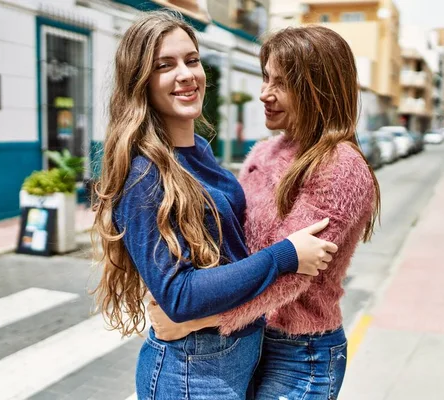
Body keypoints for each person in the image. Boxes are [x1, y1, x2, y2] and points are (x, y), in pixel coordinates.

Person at [91, 12, 339, 400]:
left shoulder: (200, 151)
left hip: (234, 363)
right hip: (192, 374)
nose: (187, 74)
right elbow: (179, 295)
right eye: (164, 65)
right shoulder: (144, 172)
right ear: (140, 82)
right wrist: (285, 255)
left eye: (191, 60)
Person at [148, 25, 381, 399]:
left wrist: (199, 321)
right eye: (265, 78)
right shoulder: (264, 152)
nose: (264, 94)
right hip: (247, 344)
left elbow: (294, 272)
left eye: (281, 84)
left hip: (301, 354)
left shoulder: (340, 166)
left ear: (319, 90)